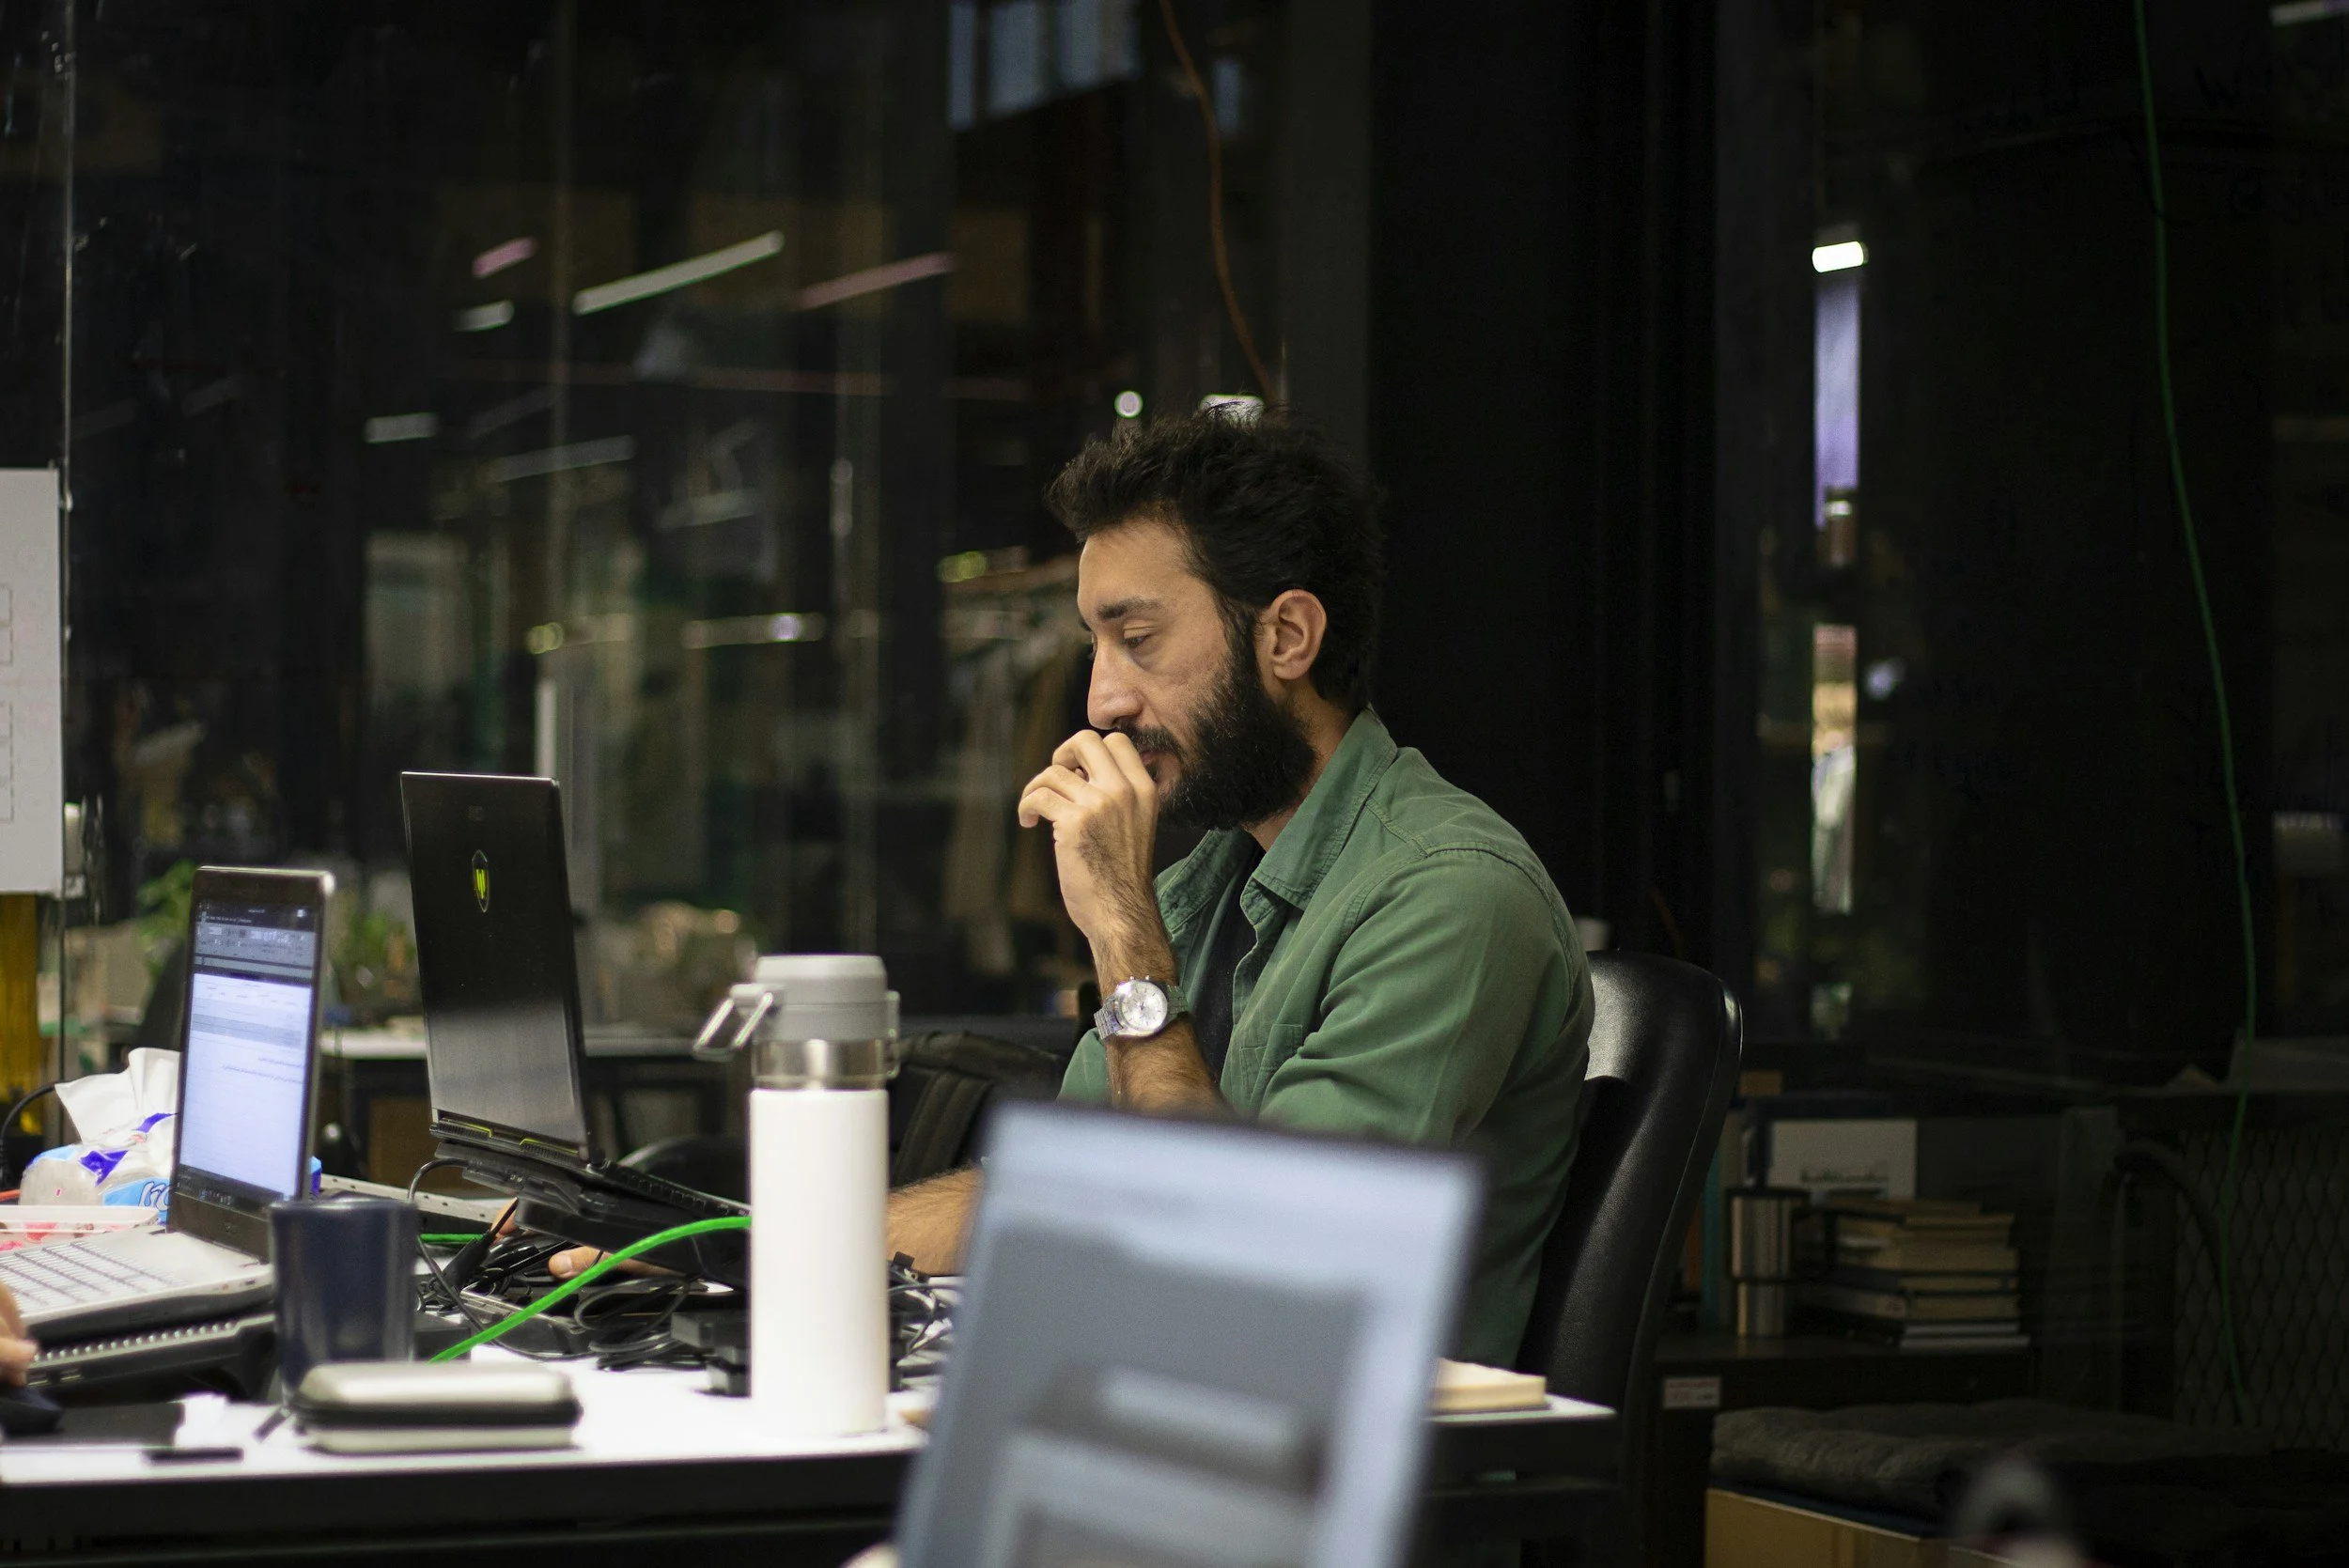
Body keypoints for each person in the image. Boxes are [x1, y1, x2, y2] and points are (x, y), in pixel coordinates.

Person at [887, 410, 1592, 1368]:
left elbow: (1252, 1252)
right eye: (1095, 647)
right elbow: (1070, 1190)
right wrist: (765, 1262)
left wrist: (1124, 943)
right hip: (1164, 1427)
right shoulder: (1205, 882)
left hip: (1349, 1491)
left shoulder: (1451, 896)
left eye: (1137, 638)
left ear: (1288, 636)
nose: (1101, 699)